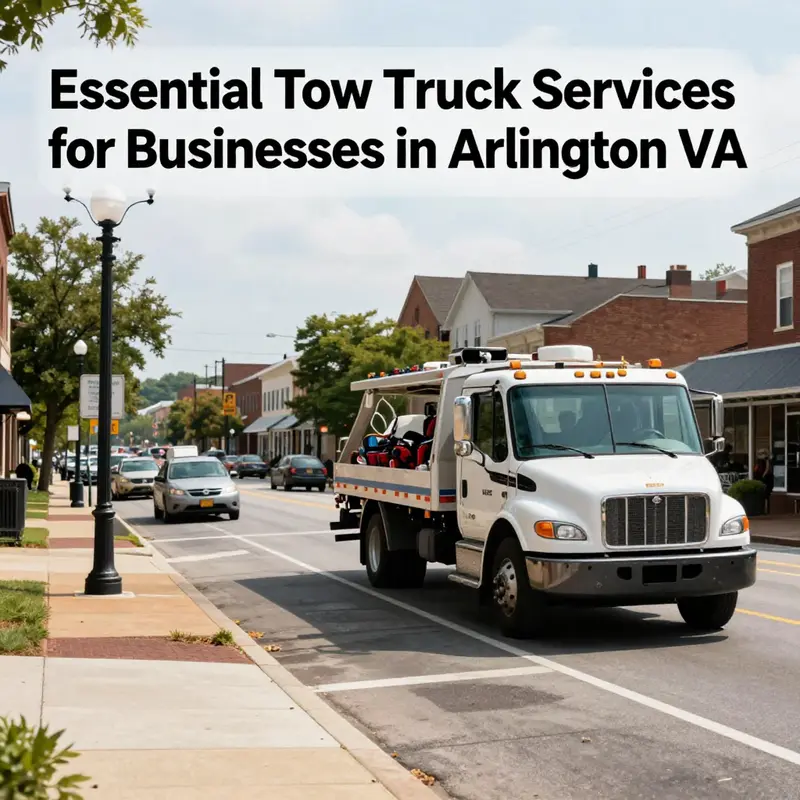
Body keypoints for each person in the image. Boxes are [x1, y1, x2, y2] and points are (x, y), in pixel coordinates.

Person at [753, 449, 774, 515]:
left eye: (763, 453)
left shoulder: (767, 460)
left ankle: (765, 511)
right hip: (761, 479)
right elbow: (756, 469)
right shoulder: (759, 461)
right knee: (762, 496)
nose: (761, 455)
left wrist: (763, 476)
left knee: (765, 495)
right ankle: (762, 510)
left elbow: (767, 469)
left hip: (766, 479)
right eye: (760, 453)